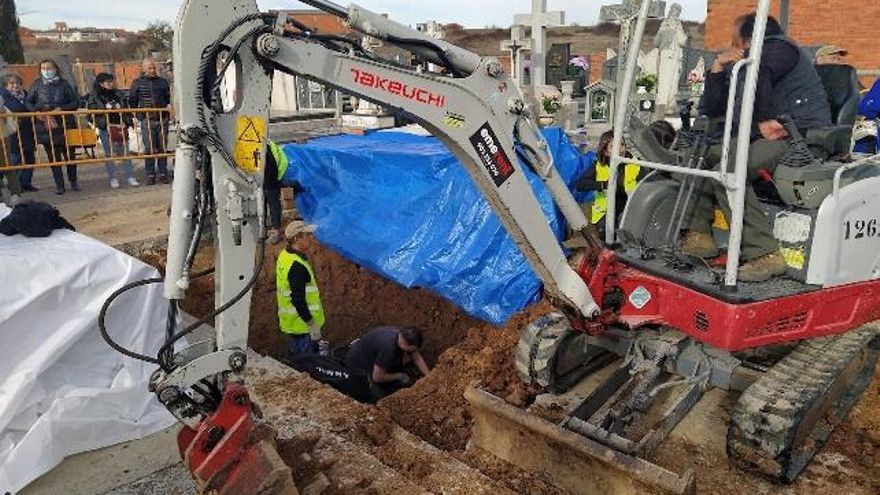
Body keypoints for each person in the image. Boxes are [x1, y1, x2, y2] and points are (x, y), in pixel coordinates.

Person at [682, 13, 832, 282]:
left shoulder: (780, 50)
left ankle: (766, 254)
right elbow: (712, 108)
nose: (730, 42)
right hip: (765, 137)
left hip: (800, 139)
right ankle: (699, 234)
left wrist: (760, 122)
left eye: (734, 37)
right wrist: (717, 67)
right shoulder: (744, 63)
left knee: (730, 167)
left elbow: (760, 84)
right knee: (702, 155)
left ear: (750, 39)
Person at [574, 130, 644, 236]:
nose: (620, 149)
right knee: (607, 232)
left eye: (622, 145)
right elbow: (580, 184)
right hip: (605, 214)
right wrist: (604, 185)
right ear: (605, 151)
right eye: (613, 146)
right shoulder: (598, 166)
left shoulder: (636, 164)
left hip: (629, 210)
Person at [276, 220, 328, 361]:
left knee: (298, 357)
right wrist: (311, 324)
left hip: (292, 323)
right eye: (306, 235)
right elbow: (298, 299)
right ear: (296, 239)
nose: (310, 239)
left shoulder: (285, 256)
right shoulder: (296, 266)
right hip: (303, 327)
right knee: (309, 363)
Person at [26, 59, 79, 195]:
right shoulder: (36, 84)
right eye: (44, 68)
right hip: (46, 126)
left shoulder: (64, 84)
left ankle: (73, 181)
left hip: (66, 124)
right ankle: (59, 185)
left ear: (55, 68)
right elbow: (28, 101)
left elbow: (75, 102)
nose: (47, 71)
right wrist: (35, 112)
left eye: (49, 68)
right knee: (53, 158)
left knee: (70, 156)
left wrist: (62, 108)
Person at [345, 326, 430, 402]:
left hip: (368, 354)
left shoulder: (401, 334)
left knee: (395, 366)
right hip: (358, 365)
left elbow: (417, 358)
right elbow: (377, 378)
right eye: (412, 349)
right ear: (405, 344)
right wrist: (399, 376)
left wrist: (429, 377)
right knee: (382, 398)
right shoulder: (389, 350)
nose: (413, 351)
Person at [87, 73, 139, 189]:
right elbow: (90, 113)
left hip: (120, 125)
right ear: (101, 83)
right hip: (106, 128)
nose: (111, 84)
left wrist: (127, 118)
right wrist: (104, 113)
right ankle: (113, 178)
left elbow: (127, 108)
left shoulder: (118, 93)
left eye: (111, 81)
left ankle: (130, 176)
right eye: (108, 82)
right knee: (109, 154)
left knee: (125, 152)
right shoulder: (94, 96)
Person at [129, 58, 172, 185]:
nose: (152, 70)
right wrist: (139, 115)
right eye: (150, 68)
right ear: (143, 68)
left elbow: (167, 98)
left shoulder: (163, 82)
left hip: (162, 118)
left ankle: (163, 173)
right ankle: (150, 174)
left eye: (154, 68)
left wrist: (166, 113)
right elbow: (132, 101)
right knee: (149, 148)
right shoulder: (137, 83)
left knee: (162, 147)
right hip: (147, 119)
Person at [0, 74, 37, 192]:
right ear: (6, 86)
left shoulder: (26, 95)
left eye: (17, 83)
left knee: (30, 158)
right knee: (15, 159)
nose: (15, 86)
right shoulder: (3, 98)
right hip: (11, 132)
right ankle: (14, 186)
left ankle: (26, 183)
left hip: (27, 131)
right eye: (12, 83)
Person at [265, 140, 288, 244]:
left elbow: (272, 167)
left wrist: (268, 184)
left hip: (274, 176)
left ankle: (276, 231)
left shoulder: (263, 147)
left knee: (273, 202)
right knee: (267, 200)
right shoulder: (261, 141)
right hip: (268, 175)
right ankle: (268, 227)